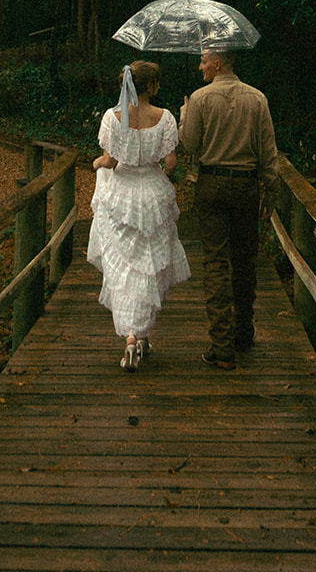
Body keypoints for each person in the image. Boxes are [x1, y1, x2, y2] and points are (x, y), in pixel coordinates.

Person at [179, 46, 280, 370]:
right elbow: (268, 151)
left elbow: (189, 145)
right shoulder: (257, 99)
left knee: (216, 262)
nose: (200, 67)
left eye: (204, 61)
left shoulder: (200, 99)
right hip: (247, 186)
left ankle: (222, 347)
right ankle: (243, 334)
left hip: (212, 186)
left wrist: (183, 119)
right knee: (245, 260)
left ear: (218, 64)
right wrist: (272, 191)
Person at [87, 58, 191, 369]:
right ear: (153, 86)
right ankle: (142, 334)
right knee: (150, 264)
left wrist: (96, 164)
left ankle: (131, 339)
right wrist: (158, 170)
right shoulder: (166, 117)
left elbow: (109, 161)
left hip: (122, 195)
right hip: (153, 192)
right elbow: (170, 163)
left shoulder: (112, 117)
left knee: (124, 266)